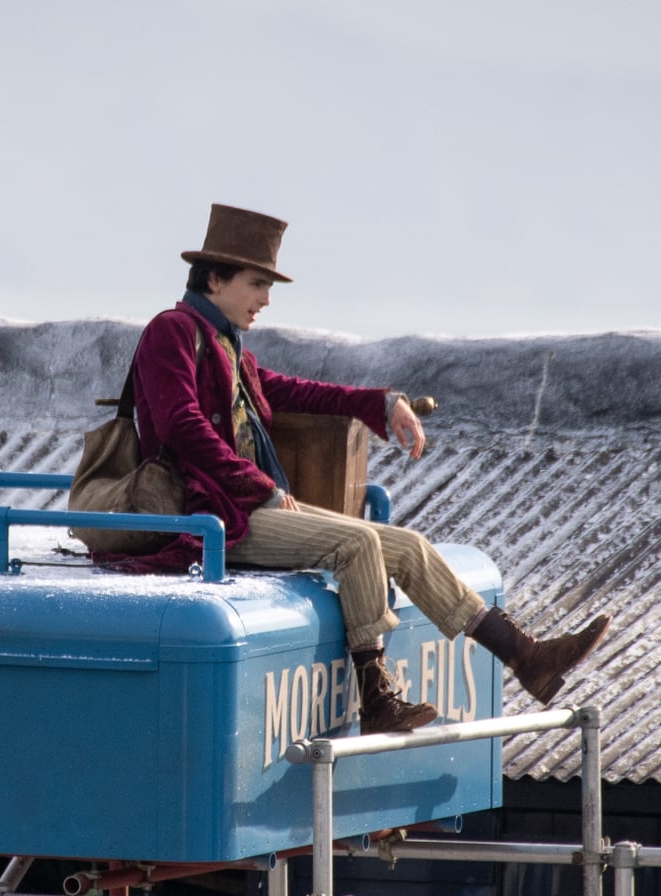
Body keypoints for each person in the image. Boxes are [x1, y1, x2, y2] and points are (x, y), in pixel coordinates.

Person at [102, 203, 610, 734]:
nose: (265, 299)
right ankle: (376, 697)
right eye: (257, 283)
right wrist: (260, 488)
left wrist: (380, 403)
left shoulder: (228, 346)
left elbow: (289, 390)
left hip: (240, 505)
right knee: (357, 544)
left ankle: (527, 657)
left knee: (408, 545)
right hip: (209, 516)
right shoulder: (173, 332)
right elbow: (182, 427)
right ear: (214, 278)